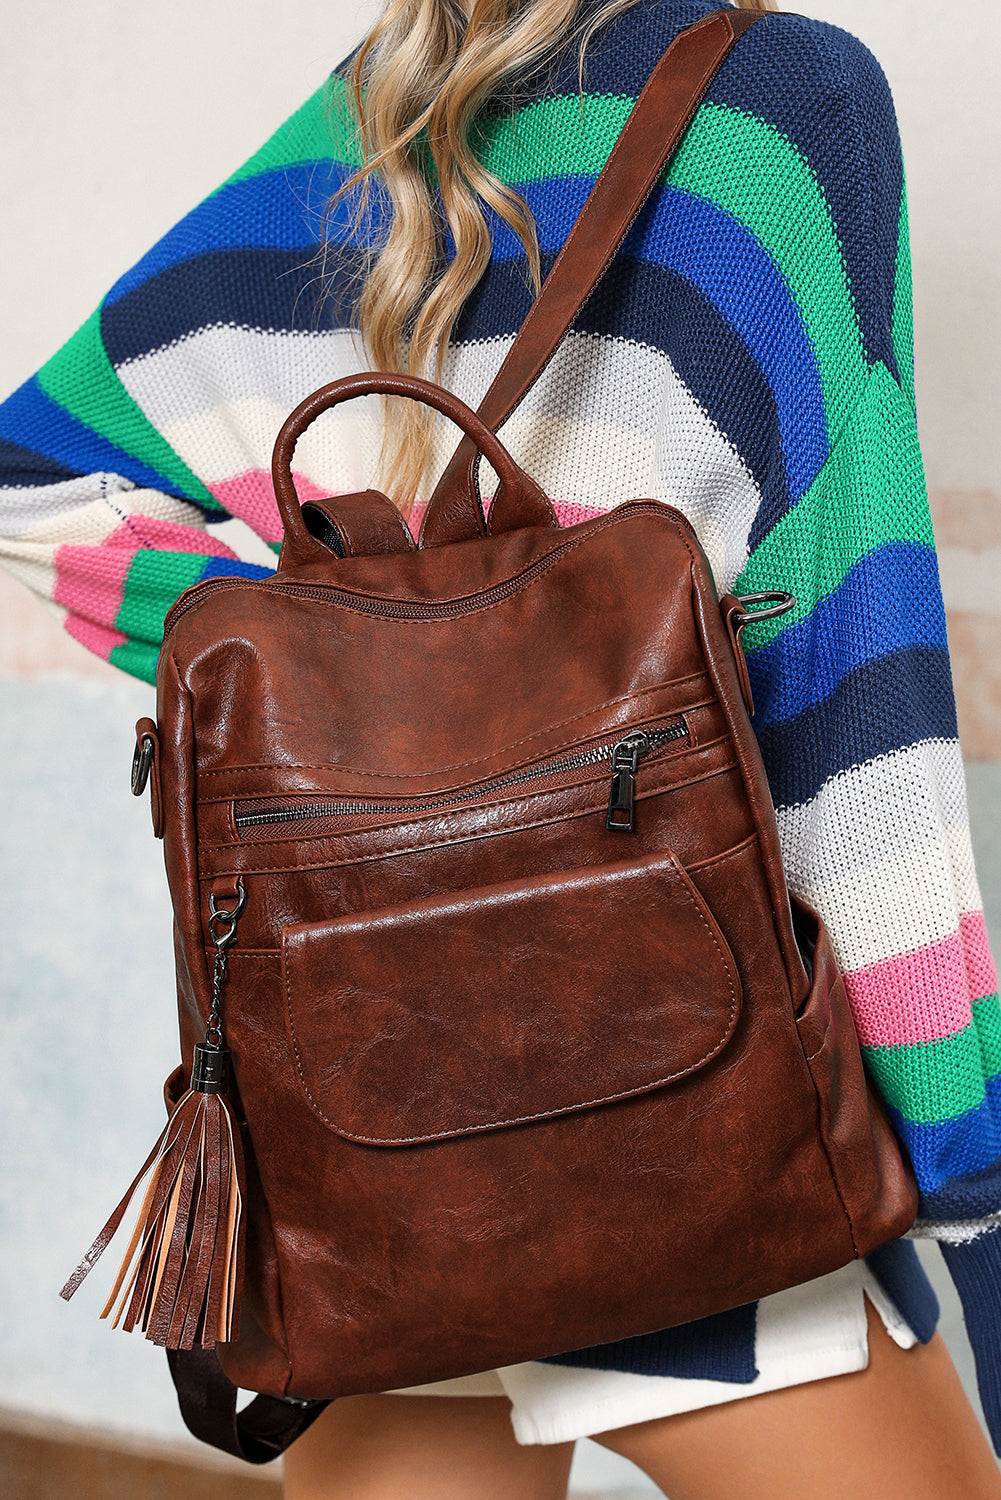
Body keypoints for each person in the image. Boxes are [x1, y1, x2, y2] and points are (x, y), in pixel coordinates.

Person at [2, 1, 1000, 1496]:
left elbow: (33, 476)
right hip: (696, 1143)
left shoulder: (362, 127)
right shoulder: (782, 101)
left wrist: (325, 664)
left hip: (377, 1191)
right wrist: (960, 1165)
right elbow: (853, 702)